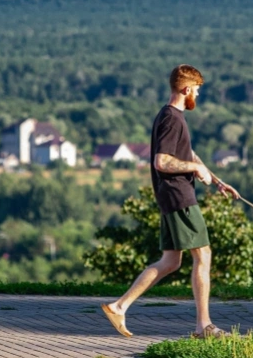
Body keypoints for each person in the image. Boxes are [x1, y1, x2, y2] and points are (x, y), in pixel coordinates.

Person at [101, 64, 240, 339]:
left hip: (173, 196)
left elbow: (188, 154)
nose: (197, 97)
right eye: (197, 91)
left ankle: (119, 306)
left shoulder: (173, 117)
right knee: (203, 255)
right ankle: (204, 327)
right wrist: (194, 169)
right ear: (187, 89)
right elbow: (162, 161)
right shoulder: (171, 118)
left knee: (170, 262)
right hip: (179, 196)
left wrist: (216, 180)